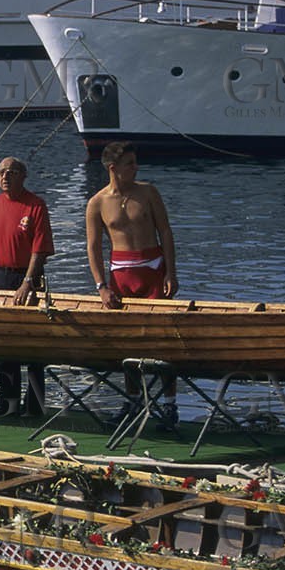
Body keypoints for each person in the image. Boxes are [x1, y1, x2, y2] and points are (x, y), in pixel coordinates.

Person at [85, 142, 179, 427]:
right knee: (128, 342)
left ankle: (169, 405)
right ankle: (133, 402)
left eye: (135, 162)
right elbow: (93, 247)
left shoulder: (148, 192)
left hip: (153, 269)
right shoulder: (97, 203)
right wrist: (102, 287)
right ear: (113, 168)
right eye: (130, 164)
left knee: (162, 340)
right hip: (121, 275)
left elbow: (165, 231)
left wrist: (171, 273)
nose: (136, 168)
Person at [0, 157, 55, 417]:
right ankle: (8, 402)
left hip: (28, 278)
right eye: (1, 172)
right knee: (2, 341)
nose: (5, 177)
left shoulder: (36, 205)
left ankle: (35, 406)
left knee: (34, 344)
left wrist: (27, 282)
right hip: (0, 278)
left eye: (11, 172)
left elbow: (40, 250)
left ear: (23, 176)